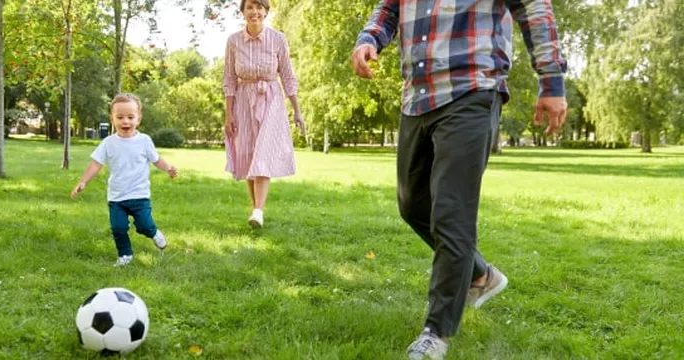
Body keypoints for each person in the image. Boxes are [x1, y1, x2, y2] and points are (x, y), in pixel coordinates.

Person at [351, 0, 568, 357]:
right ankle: (481, 275)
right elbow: (389, 8)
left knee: (451, 212)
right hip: (417, 96)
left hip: (472, 88)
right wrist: (369, 38)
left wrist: (552, 80)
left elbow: (534, 9)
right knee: (412, 205)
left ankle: (436, 332)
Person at [223, 0, 306, 228]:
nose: (254, 12)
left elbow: (288, 76)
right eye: (249, 7)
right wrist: (228, 113)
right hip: (243, 100)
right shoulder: (233, 41)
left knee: (263, 153)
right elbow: (229, 79)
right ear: (242, 12)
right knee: (248, 154)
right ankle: (256, 210)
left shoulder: (278, 39)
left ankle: (259, 210)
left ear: (266, 11)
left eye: (259, 7)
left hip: (271, 101)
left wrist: (297, 111)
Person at [70, 93, 178, 267]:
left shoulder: (144, 141)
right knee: (118, 228)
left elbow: (156, 159)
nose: (125, 121)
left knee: (144, 225)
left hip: (139, 195)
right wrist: (83, 181)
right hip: (117, 197)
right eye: (120, 117)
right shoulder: (108, 143)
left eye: (130, 117)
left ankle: (153, 232)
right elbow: (96, 164)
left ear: (139, 119)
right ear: (112, 118)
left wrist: (169, 169)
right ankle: (125, 255)